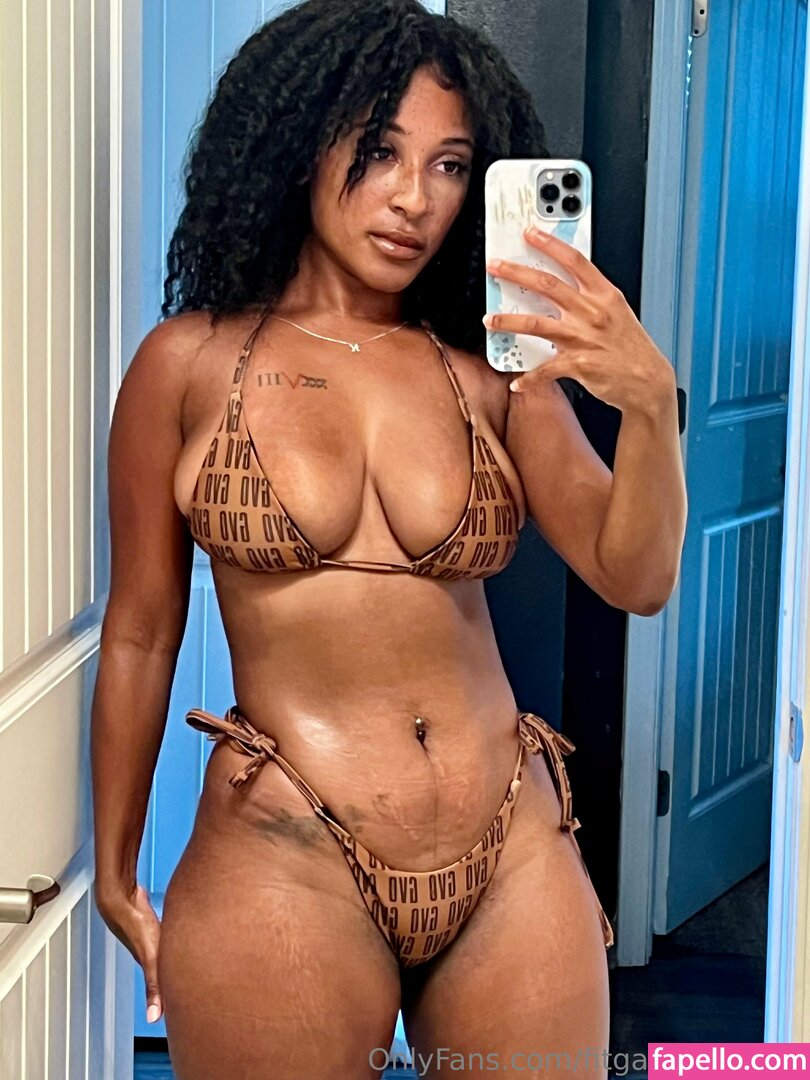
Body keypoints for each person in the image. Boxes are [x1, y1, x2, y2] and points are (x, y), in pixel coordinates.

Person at [91, 1, 687, 1076]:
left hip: (510, 848)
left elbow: (633, 574)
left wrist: (650, 405)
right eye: (378, 152)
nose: (415, 198)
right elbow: (140, 632)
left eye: (450, 165)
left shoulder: (493, 375)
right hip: (288, 849)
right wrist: (115, 863)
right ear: (296, 145)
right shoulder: (186, 365)